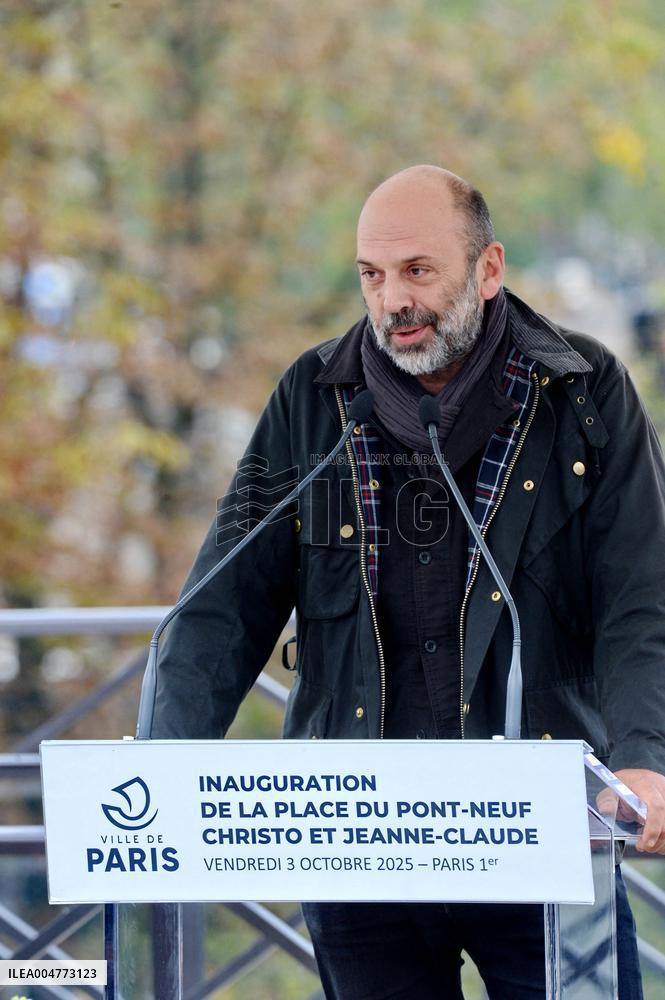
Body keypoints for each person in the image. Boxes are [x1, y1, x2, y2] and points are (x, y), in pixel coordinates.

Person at [152, 165, 665, 998]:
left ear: (488, 269)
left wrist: (646, 758)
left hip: (536, 825)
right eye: (372, 275)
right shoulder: (312, 401)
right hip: (358, 838)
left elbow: (641, 600)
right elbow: (221, 608)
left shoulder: (583, 391)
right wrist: (167, 765)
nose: (393, 299)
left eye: (418, 271)